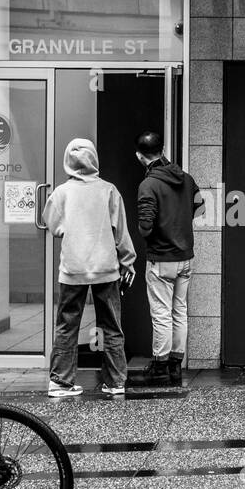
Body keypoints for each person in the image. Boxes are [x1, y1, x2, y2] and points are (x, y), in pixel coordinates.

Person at [44, 138, 136, 398]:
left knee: (67, 325)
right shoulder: (108, 190)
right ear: (94, 158)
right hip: (106, 267)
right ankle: (116, 381)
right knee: (111, 326)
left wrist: (66, 230)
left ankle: (60, 382)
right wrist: (127, 261)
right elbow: (121, 232)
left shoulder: (62, 192)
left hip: (72, 269)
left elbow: (50, 221)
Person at [134, 131, 203, 386]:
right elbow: (201, 206)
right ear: (162, 150)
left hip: (161, 259)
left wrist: (158, 230)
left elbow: (144, 226)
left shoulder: (148, 185)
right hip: (185, 256)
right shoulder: (186, 178)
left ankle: (160, 366)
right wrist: (179, 223)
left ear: (140, 156)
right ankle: (176, 365)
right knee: (180, 311)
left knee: (161, 313)